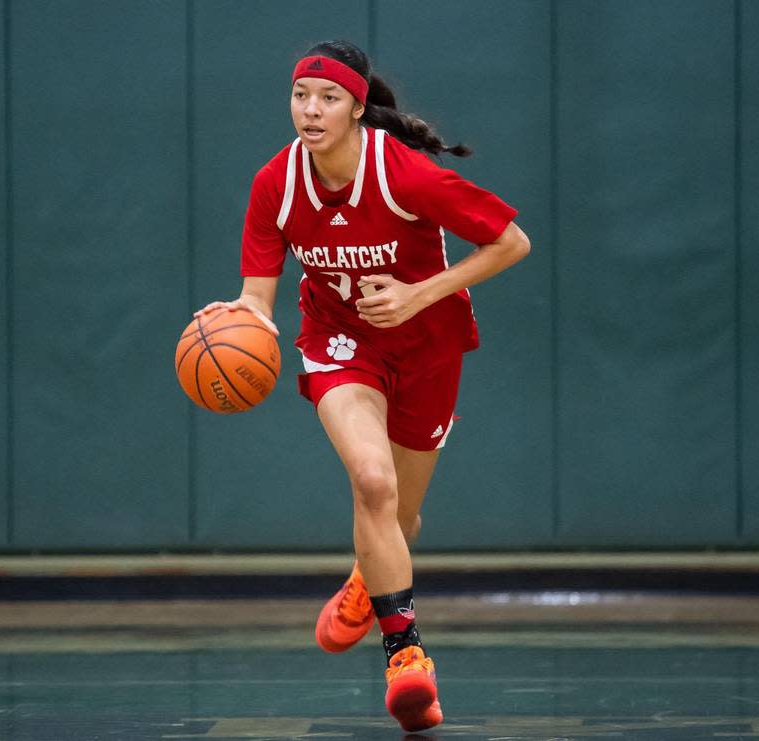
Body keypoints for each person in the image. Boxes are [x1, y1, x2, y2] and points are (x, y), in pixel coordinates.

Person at [198, 39, 530, 731]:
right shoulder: (276, 184)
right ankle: (406, 653)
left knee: (401, 518)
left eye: (327, 99)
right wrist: (236, 317)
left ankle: (365, 577)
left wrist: (418, 295)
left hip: (428, 345)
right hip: (340, 345)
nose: (310, 111)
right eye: (300, 96)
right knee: (372, 483)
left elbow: (510, 242)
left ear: (355, 108)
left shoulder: (404, 175)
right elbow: (258, 296)